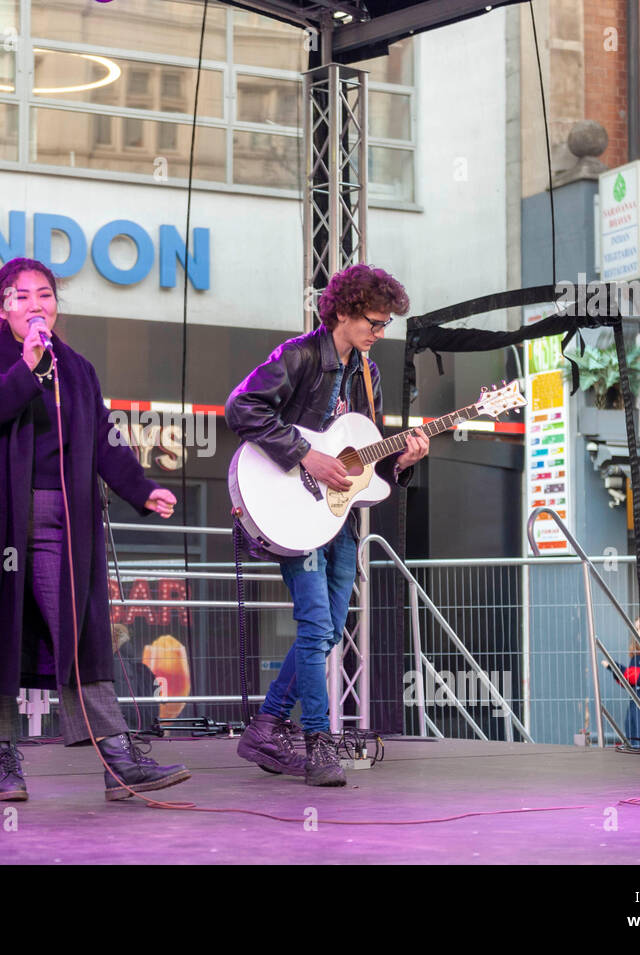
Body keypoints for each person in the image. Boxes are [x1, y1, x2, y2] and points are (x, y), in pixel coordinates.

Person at [0, 256, 189, 802]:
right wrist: (25, 371)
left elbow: (104, 440)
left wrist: (142, 489)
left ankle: (116, 760)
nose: (35, 305)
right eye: (21, 296)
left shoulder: (76, 369)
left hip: (63, 521)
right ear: (2, 308)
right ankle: (6, 761)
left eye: (44, 295)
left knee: (79, 632)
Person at [226, 264, 429, 786]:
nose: (380, 334)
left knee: (329, 629)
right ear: (343, 311)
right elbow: (241, 407)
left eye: (385, 325)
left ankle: (267, 727)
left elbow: (366, 463)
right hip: (292, 507)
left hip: (339, 517)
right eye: (374, 323)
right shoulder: (298, 356)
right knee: (317, 624)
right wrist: (305, 455)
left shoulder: (369, 375)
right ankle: (318, 743)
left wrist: (402, 462)